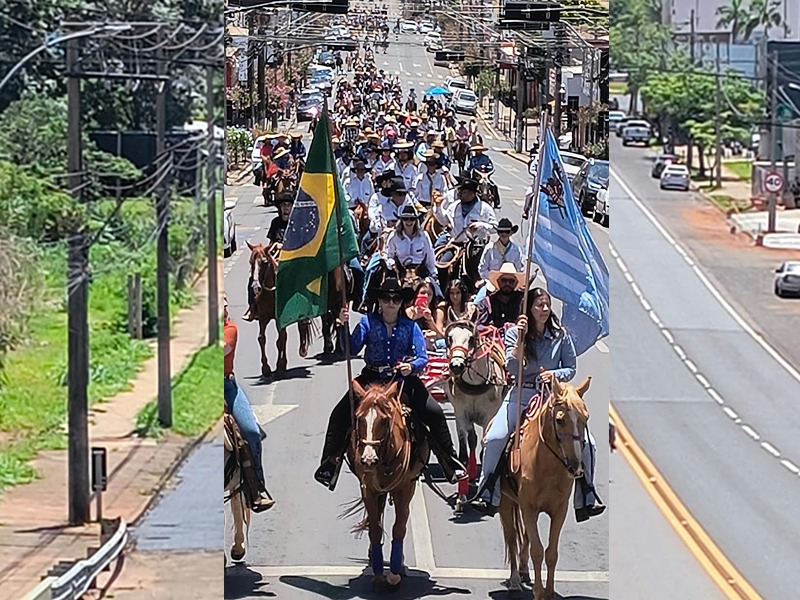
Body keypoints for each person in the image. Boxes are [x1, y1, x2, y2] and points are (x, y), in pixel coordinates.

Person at [313, 278, 468, 488]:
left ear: (401, 302)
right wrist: (342, 325)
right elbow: (350, 349)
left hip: (402, 380)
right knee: (339, 415)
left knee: (434, 413)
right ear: (380, 300)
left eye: (396, 298)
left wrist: (411, 367)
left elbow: (422, 357)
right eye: (386, 298)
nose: (391, 302)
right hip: (371, 379)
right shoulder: (367, 322)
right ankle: (329, 465)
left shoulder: (410, 326)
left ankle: (450, 462)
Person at [470, 288, 605, 522]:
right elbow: (512, 368)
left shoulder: (560, 335)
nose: (544, 310)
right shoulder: (514, 333)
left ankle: (587, 495)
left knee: (588, 443)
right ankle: (487, 489)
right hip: (521, 395)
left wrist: (553, 375)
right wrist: (520, 341)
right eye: (538, 305)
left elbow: (571, 368)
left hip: (553, 399)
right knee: (495, 437)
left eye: (546, 305)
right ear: (529, 309)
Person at [224, 294, 275, 512]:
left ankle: (257, 487)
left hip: (226, 386)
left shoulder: (230, 329)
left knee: (251, 432)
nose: (224, 309)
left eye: (225, 304)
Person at [432, 176, 497, 245]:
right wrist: (438, 207)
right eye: (460, 191)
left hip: (476, 246)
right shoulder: (454, 206)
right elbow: (444, 221)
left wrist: (481, 225)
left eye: (464, 192)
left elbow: (495, 228)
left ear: (472, 193)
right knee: (438, 250)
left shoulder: (485, 208)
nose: (460, 194)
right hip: (456, 242)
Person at [475, 218, 525, 303]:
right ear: (498, 233)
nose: (504, 234)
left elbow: (520, 269)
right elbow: (482, 269)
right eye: (501, 232)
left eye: (507, 232)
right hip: (491, 284)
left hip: (510, 284)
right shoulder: (489, 248)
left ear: (511, 233)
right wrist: (492, 279)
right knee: (476, 303)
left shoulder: (516, 250)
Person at [476, 262, 525, 329]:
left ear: (516, 283)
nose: (507, 284)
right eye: (504, 280)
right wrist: (488, 328)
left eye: (511, 281)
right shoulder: (487, 303)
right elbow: (478, 326)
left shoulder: (522, 302)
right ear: (498, 281)